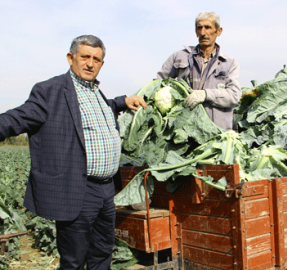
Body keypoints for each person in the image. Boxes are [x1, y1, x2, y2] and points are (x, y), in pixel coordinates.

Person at [0, 35, 147, 270]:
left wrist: (122, 101)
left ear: (102, 64)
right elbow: (18, 117)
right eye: (85, 57)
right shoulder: (51, 90)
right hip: (78, 190)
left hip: (106, 189)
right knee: (74, 260)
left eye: (97, 59)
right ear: (71, 58)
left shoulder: (95, 93)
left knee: (102, 253)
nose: (90, 63)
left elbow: (105, 108)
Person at [157, 11, 241, 130]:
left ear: (218, 31)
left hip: (215, 132)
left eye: (208, 27)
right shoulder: (179, 56)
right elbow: (157, 83)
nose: (203, 33)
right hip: (183, 130)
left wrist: (206, 94)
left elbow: (234, 96)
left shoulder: (229, 63)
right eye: (199, 28)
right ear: (196, 31)